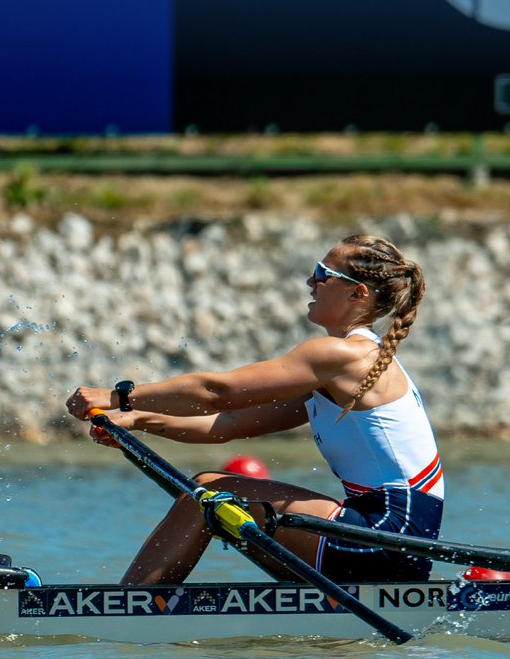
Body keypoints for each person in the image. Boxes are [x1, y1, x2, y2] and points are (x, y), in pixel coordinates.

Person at [66, 234, 443, 586]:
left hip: (384, 535)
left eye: (321, 275)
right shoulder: (352, 364)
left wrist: (119, 396)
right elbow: (228, 424)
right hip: (394, 542)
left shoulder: (344, 356)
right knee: (210, 489)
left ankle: (129, 608)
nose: (310, 284)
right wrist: (137, 421)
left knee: (207, 493)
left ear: (357, 293)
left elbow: (219, 392)